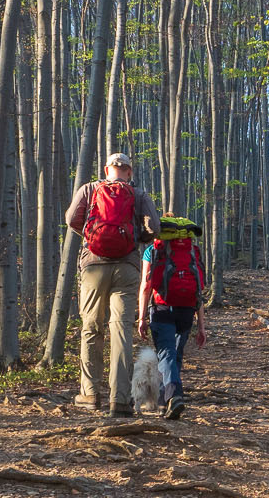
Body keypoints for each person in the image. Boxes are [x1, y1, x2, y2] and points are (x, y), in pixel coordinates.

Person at [64, 153, 159, 415]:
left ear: (107, 169)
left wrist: (91, 236)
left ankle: (90, 394)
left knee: (91, 328)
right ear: (128, 171)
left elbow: (72, 218)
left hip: (93, 264)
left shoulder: (90, 189)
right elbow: (155, 227)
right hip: (126, 266)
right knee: (120, 331)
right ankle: (119, 399)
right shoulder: (138, 194)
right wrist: (135, 237)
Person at [137, 215, 207, 420]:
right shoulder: (191, 251)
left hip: (162, 309)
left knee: (166, 354)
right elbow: (199, 291)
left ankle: (173, 396)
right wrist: (202, 326)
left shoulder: (153, 251)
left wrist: (141, 317)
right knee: (175, 356)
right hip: (187, 309)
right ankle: (166, 401)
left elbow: (145, 286)